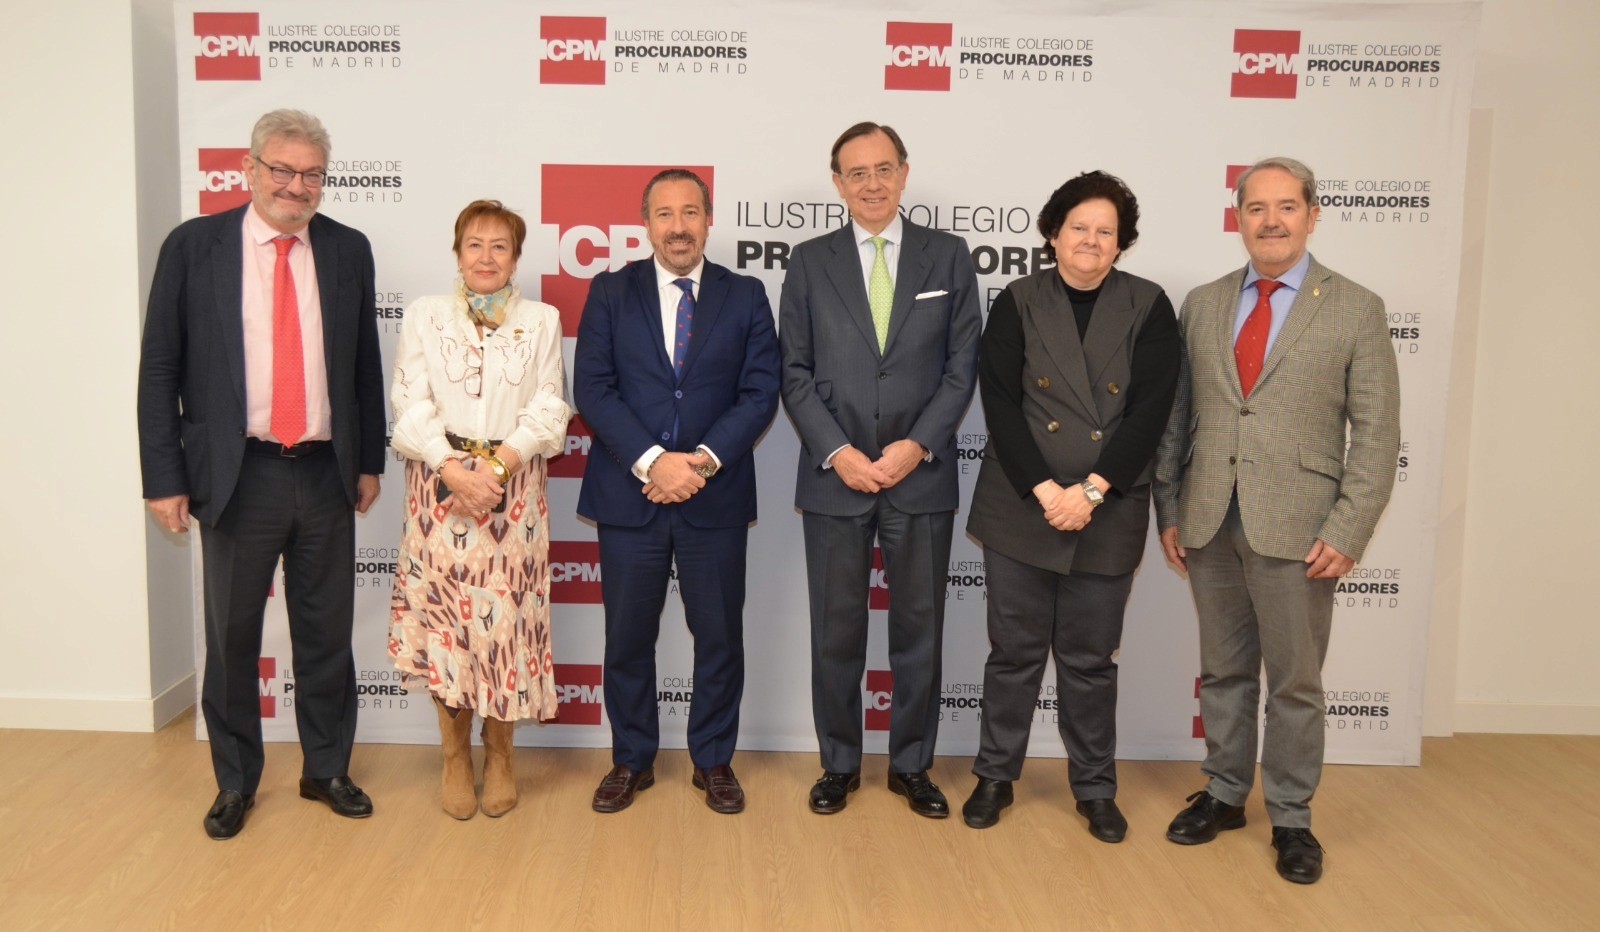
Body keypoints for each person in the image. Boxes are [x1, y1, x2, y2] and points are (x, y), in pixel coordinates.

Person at [137, 109, 386, 839]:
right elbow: (159, 370)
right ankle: (235, 782)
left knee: (326, 633)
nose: (296, 185)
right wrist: (164, 478)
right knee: (232, 638)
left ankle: (326, 769)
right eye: (282, 169)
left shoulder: (347, 248)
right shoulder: (194, 246)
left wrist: (368, 461)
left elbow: (363, 365)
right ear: (249, 169)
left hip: (324, 471)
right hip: (235, 474)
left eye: (311, 174)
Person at [1153, 157, 1401, 883]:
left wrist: (1348, 529)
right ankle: (1225, 793)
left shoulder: (1355, 306)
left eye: (1286, 206)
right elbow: (1176, 417)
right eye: (1256, 208)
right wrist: (1169, 507)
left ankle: (1291, 817)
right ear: (1238, 218)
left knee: (1293, 682)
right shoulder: (1203, 303)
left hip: (1301, 527)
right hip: (1208, 518)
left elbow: (1377, 433)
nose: (1271, 221)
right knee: (1223, 671)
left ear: (1312, 215)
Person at [961, 171, 1180, 839]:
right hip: (1021, 502)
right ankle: (995, 776)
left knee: (1089, 660)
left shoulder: (1149, 305)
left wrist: (1090, 490)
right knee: (1013, 653)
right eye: (1079, 227)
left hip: (1106, 506)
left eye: (1105, 231)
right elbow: (1000, 403)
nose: (1091, 239)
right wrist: (1047, 490)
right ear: (1053, 234)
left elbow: (1150, 412)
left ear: (1122, 242)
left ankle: (1094, 787)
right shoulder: (1018, 301)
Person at [779, 122, 982, 818]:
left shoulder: (947, 256)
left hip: (919, 477)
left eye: (883, 169)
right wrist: (839, 452)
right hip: (835, 478)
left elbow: (961, 368)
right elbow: (794, 370)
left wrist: (915, 446)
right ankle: (838, 765)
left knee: (919, 633)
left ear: (904, 173)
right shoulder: (810, 261)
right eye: (857, 172)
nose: (872, 183)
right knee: (836, 633)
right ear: (838, 183)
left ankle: (911, 767)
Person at [573, 169, 780, 815]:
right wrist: (654, 463)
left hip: (714, 497)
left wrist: (702, 463)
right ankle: (631, 759)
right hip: (629, 496)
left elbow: (760, 392)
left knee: (718, 637)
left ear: (708, 219)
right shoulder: (610, 291)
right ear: (646, 224)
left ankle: (713, 759)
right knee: (627, 639)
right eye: (665, 214)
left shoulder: (746, 295)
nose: (678, 226)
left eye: (690, 212)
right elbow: (593, 389)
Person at [388, 200, 572, 820]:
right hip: (438, 486)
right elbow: (408, 402)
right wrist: (451, 469)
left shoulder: (541, 319)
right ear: (457, 252)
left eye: (499, 246)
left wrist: (494, 470)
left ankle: (500, 757)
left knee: (504, 627)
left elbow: (550, 406)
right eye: (475, 244)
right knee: (446, 624)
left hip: (511, 491)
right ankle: (453, 758)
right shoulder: (425, 314)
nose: (486, 257)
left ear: (515, 258)